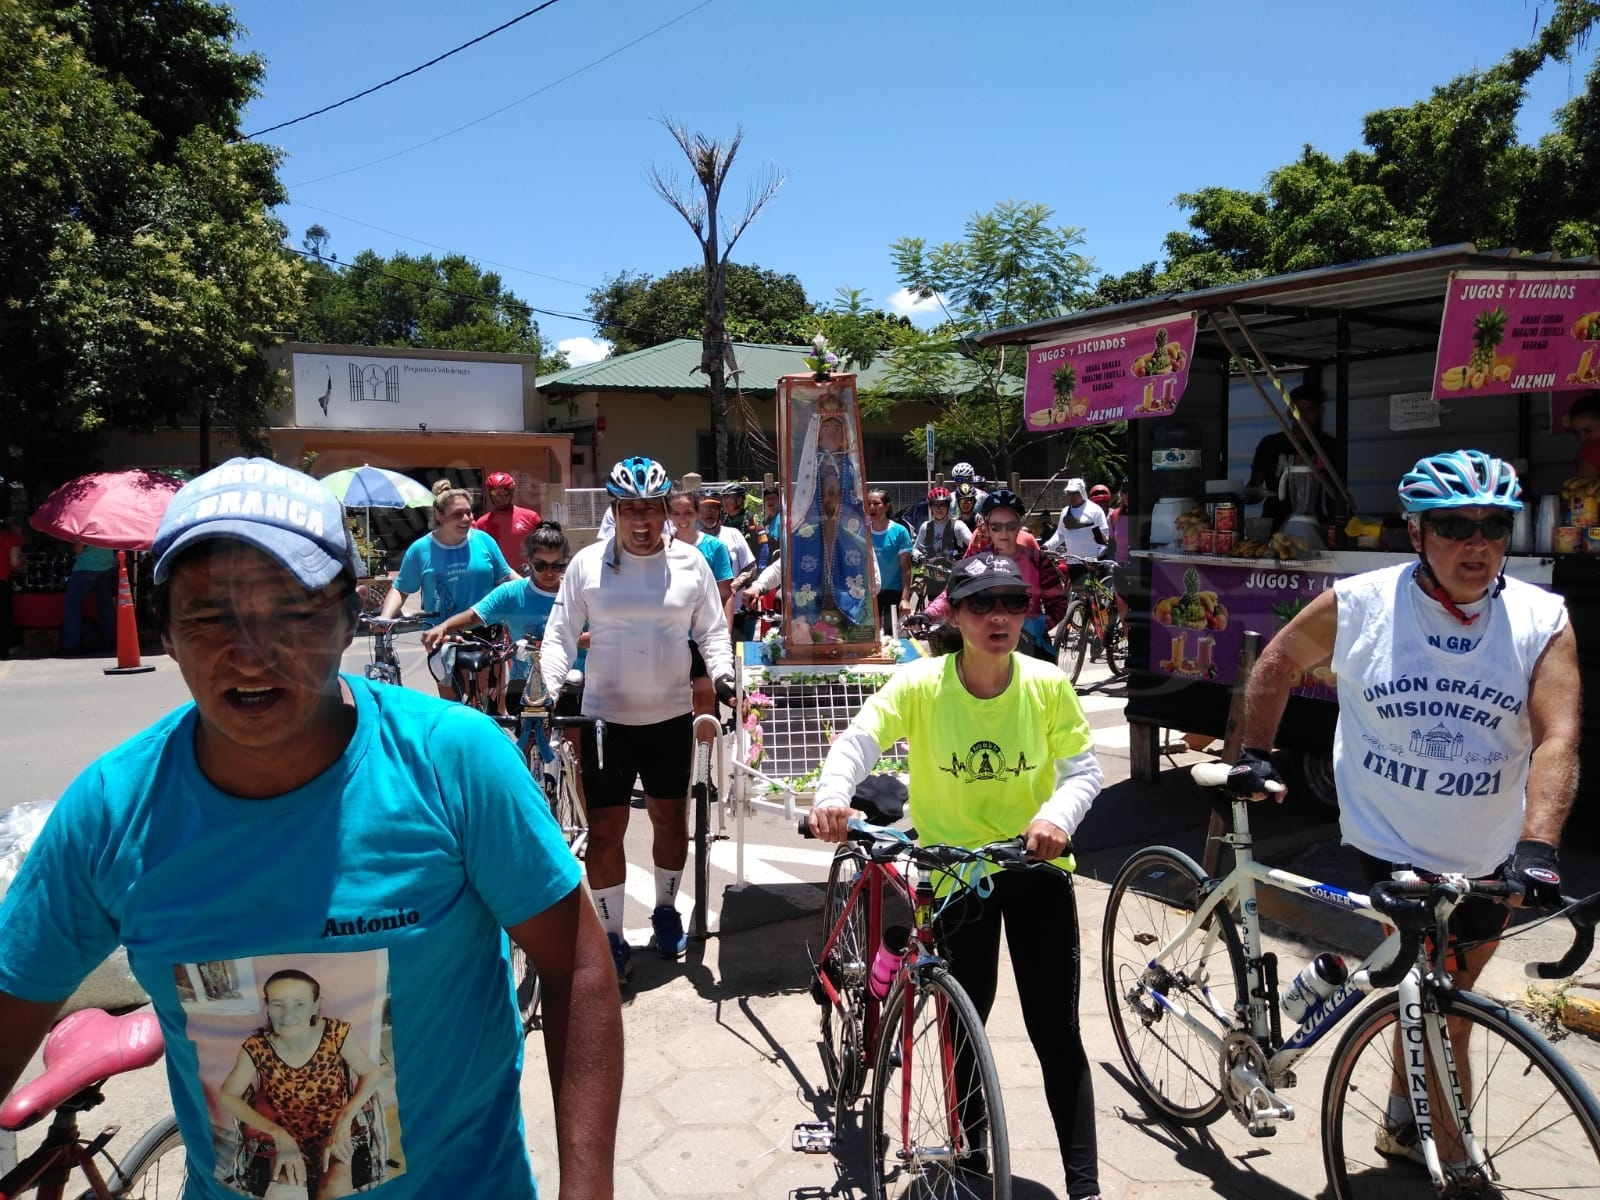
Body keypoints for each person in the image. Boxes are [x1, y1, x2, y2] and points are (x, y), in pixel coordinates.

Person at [0, 457, 622, 1200]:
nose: (250, 650)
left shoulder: (453, 764)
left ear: (348, 617)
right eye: (209, 616)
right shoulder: (111, 811)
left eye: (291, 611)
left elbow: (578, 965)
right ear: (165, 632)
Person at [1227, 449, 1578, 1170]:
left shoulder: (1542, 618)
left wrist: (1539, 848)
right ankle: (1452, 1162)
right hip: (1389, 837)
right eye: (1454, 526)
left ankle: (1399, 1121)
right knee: (1439, 1008)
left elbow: (1558, 737)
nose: (1477, 543)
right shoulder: (1364, 604)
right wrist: (1256, 753)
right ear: (1418, 534)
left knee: (1437, 1001)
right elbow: (1278, 663)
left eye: (1494, 525)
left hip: (1487, 850)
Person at [809, 553, 1105, 1200]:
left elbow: (1085, 771)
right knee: (962, 1033)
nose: (998, 616)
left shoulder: (1047, 683)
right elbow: (862, 736)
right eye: (982, 604)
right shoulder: (921, 683)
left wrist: (1056, 816)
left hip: (1034, 869)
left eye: (1013, 602)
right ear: (957, 615)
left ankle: (1085, 1189)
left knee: (1057, 1032)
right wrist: (833, 793)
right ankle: (971, 1168)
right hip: (955, 876)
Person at [540, 456, 735, 981]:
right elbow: (559, 634)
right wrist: (548, 686)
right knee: (605, 831)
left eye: (652, 509)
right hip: (605, 720)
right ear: (616, 511)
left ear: (667, 511)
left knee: (671, 819)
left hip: (670, 716)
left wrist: (722, 676)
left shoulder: (691, 563)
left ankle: (667, 909)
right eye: (631, 510)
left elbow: (712, 633)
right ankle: (610, 935)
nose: (642, 521)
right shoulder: (587, 564)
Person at [218, 969, 387, 1199]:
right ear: (266, 1006)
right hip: (283, 1138)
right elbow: (228, 1095)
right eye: (278, 1004)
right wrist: (277, 1133)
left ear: (316, 1005)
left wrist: (344, 1119)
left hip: (336, 1134)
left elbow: (371, 1073)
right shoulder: (257, 1047)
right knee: (283, 1193)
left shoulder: (336, 1034)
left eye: (299, 1003)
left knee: (336, 1188)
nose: (288, 1015)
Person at [421, 522, 583, 716]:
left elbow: (598, 634)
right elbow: (475, 615)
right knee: (528, 741)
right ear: (529, 561)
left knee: (574, 738)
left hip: (572, 681)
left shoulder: (576, 593)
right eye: (541, 565)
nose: (549, 572)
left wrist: (552, 642)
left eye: (557, 566)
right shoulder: (512, 592)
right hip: (523, 684)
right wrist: (444, 627)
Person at [380, 480, 515, 700]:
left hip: (487, 631)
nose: (466, 519)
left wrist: (536, 589)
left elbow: (508, 577)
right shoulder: (420, 549)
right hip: (442, 637)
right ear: (439, 516)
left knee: (491, 701)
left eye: (469, 513)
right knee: (451, 704)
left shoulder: (483, 541)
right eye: (457, 514)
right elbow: (401, 589)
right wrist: (385, 619)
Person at [928, 489, 1070, 658]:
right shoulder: (977, 559)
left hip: (1029, 645)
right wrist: (927, 614)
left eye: (1010, 526)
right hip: (985, 642)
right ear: (987, 527)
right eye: (996, 527)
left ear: (1019, 526)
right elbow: (950, 594)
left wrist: (1036, 627)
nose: (1004, 533)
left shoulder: (1037, 559)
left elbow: (1058, 605)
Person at [1245, 383, 1339, 528]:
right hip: (1275, 524)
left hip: (1314, 525)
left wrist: (1334, 526)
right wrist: (1246, 495)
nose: (1302, 416)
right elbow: (1254, 486)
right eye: (1297, 410)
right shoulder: (1270, 444)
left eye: (1309, 410)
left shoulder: (1329, 446)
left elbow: (1335, 494)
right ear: (1289, 413)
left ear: (1321, 412)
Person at [699, 489, 758, 635]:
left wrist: (733, 586)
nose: (709, 512)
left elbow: (751, 567)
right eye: (704, 508)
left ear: (720, 511)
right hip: (701, 613)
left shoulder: (733, 534)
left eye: (714, 507)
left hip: (735, 611)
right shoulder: (692, 540)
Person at [472, 470, 540, 572]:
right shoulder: (482, 523)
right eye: (494, 492)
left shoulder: (531, 517)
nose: (499, 497)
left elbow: (543, 547)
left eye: (503, 492)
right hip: (496, 580)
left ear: (512, 491)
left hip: (526, 578)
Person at [866, 487, 913, 631]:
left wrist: (904, 599)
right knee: (870, 634)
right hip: (870, 592)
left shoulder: (899, 532)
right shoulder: (863, 530)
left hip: (893, 592)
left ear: (887, 506)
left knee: (891, 635)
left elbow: (906, 569)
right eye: (869, 504)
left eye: (876, 503)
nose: (872, 507)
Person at [61, 540, 118, 654]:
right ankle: (109, 642)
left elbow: (78, 549)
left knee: (73, 605)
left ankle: (70, 645)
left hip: (85, 567)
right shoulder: (109, 522)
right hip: (106, 566)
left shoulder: (85, 523)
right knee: (105, 606)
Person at [1043, 478, 1108, 563]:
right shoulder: (1065, 512)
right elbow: (1060, 535)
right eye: (1069, 493)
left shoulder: (1095, 510)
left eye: (1074, 493)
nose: (1071, 496)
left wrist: (1097, 558)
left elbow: (1104, 538)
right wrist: (1047, 546)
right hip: (1072, 562)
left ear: (1082, 492)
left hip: (1091, 563)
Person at [913, 487, 972, 570]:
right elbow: (916, 549)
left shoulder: (958, 525)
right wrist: (920, 557)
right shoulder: (925, 527)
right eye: (936, 505)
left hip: (953, 575)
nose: (939, 509)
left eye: (943, 505)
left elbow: (973, 545)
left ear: (948, 506)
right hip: (931, 574)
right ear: (930, 507)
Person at [0, 516, 23, 659]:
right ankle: (3, 650)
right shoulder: (13, 538)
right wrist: (22, 565)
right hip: (1, 580)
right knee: (3, 616)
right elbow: (14, 562)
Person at [1566, 390, 1600, 477]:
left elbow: (1582, 488)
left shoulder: (1592, 449)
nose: (1582, 439)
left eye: (1588, 431)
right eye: (1576, 433)